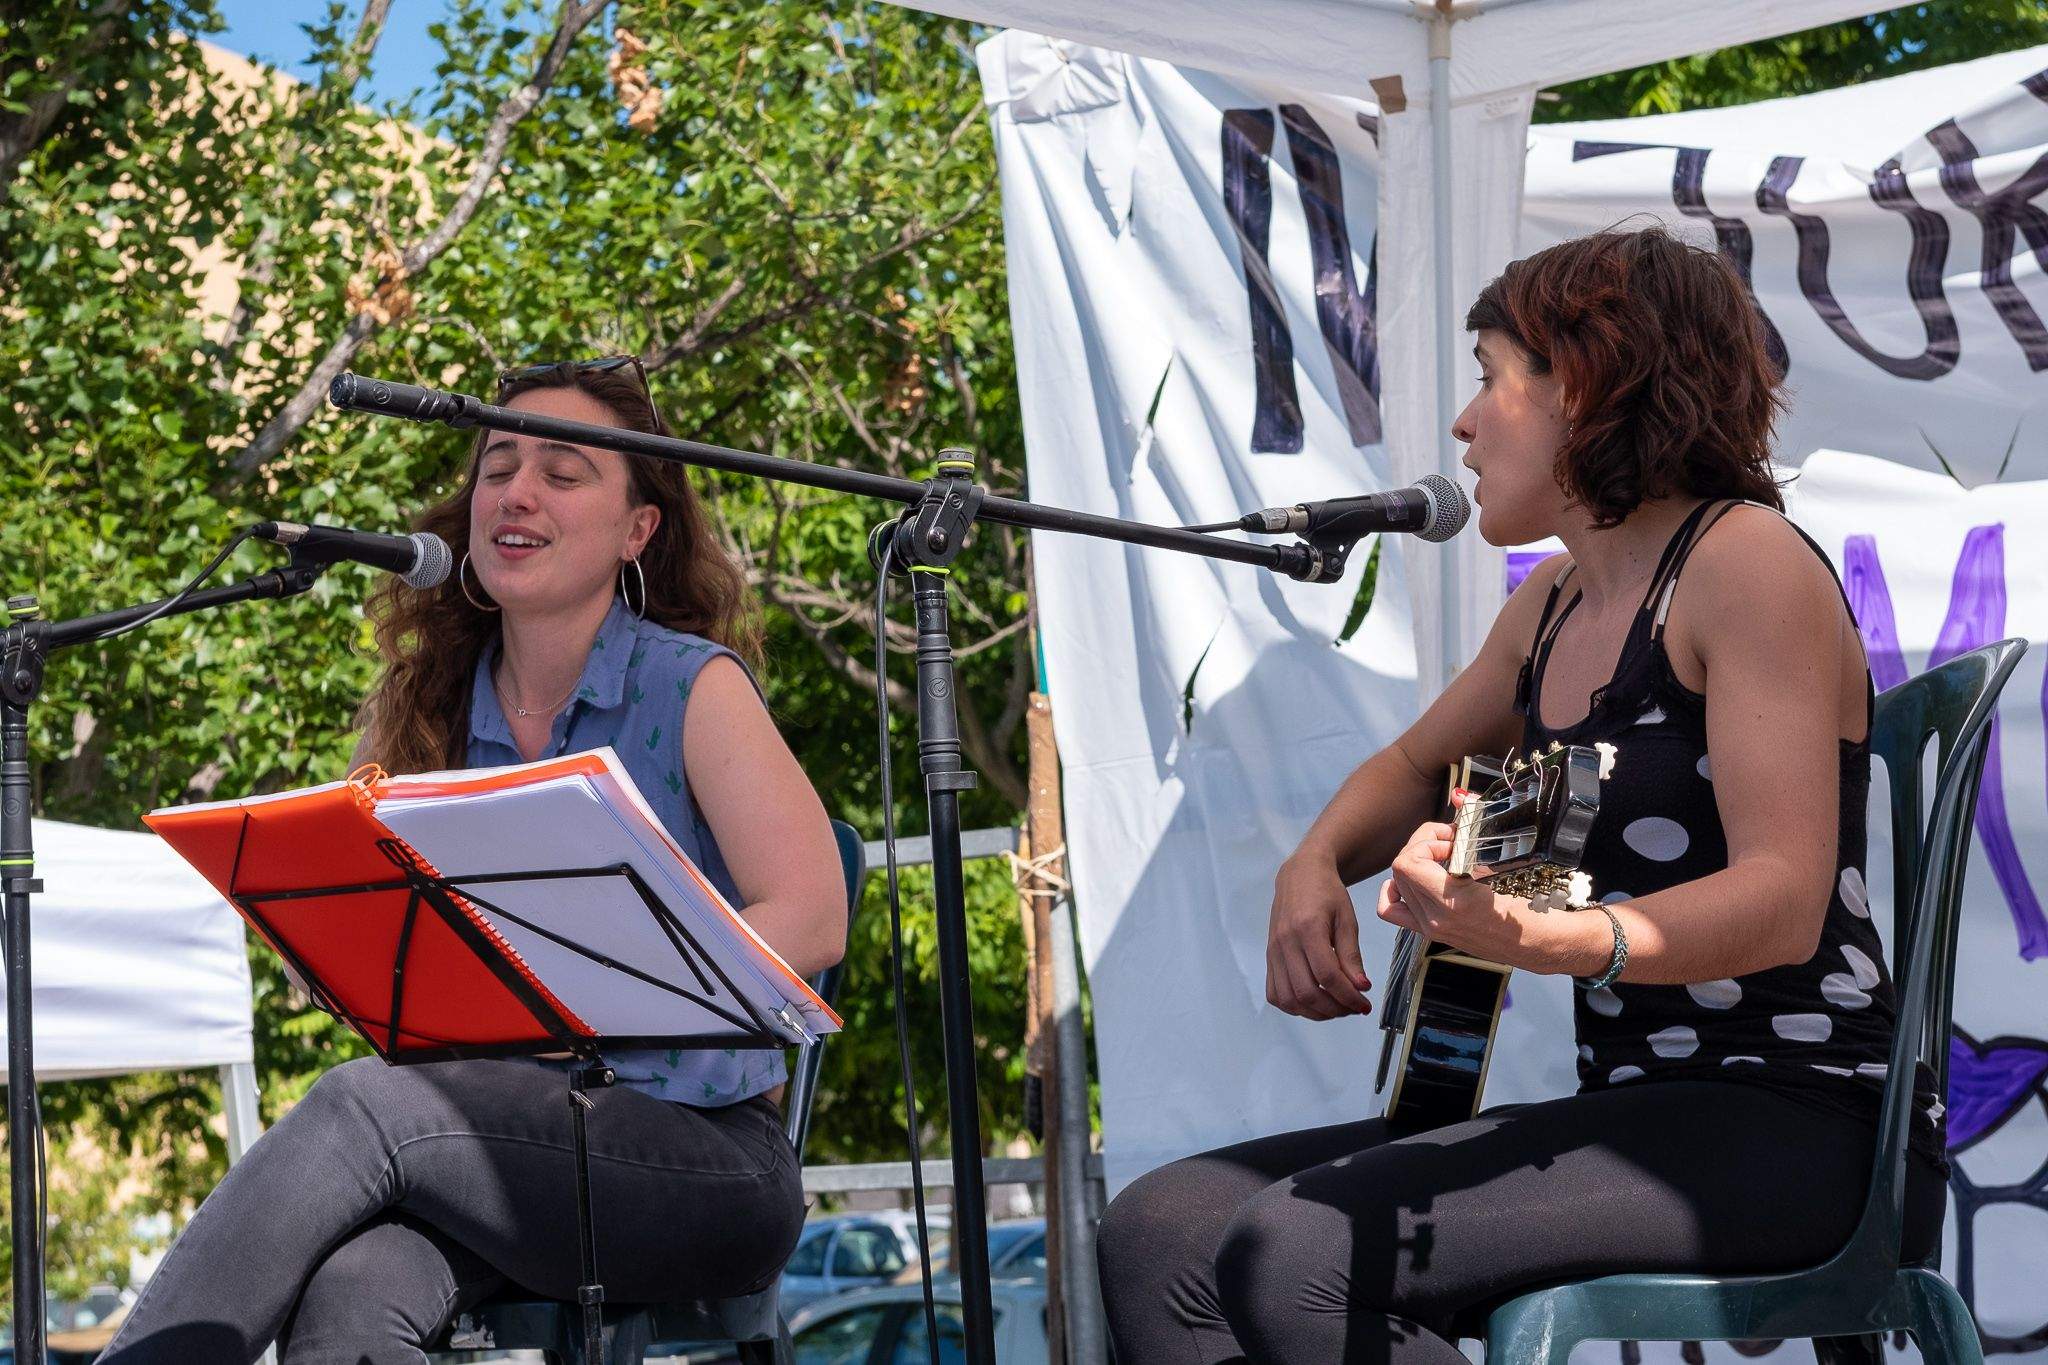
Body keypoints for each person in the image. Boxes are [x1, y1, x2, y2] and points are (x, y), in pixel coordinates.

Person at [1095, 226, 1949, 1363]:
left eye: (1490, 378)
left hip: (1796, 1119)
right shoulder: (1547, 604)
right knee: (1160, 1230)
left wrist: (1542, 932)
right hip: (1634, 1112)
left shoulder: (1744, 563)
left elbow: (1783, 897)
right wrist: (1313, 865)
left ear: (1588, 387)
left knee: (1302, 1253)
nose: (1460, 423)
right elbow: (1409, 769)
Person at [103, 357, 847, 1365]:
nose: (517, 491)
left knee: (360, 1102)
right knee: (351, 1296)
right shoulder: (428, 710)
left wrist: (591, 1003)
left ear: (638, 529)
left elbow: (811, 914)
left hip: (704, 1162)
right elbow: (363, 946)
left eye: (562, 470)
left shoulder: (691, 686)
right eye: (497, 465)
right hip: (497, 1151)